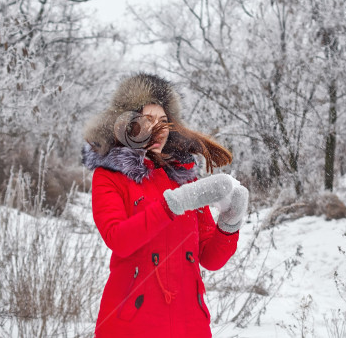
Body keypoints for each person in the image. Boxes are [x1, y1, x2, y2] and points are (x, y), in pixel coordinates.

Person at [82, 72, 249, 338]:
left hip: (190, 325)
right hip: (131, 325)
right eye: (148, 120)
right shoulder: (110, 176)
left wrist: (230, 222)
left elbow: (209, 258)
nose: (158, 129)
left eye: (163, 121)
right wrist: (174, 205)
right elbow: (119, 239)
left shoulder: (184, 177)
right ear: (127, 125)